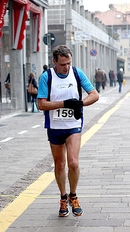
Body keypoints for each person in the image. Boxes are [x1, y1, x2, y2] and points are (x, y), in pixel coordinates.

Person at [37, 45, 99, 217]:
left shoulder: (77, 73)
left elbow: (94, 94)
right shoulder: (46, 77)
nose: (66, 67)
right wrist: (64, 104)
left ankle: (74, 195)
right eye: (63, 64)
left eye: (69, 63)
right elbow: (41, 104)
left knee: (73, 162)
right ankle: (63, 197)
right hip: (55, 127)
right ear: (54, 61)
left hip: (73, 125)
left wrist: (80, 103)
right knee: (60, 164)